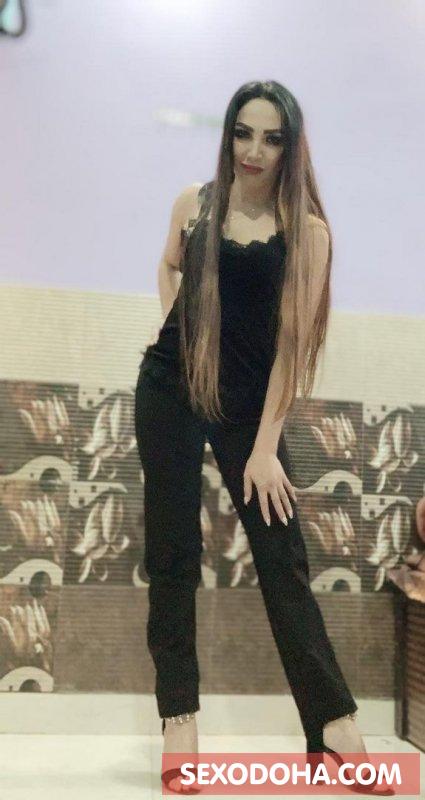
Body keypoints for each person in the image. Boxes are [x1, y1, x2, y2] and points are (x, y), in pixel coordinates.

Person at [134, 80, 393, 796]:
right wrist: (178, 327)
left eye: (271, 138)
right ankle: (179, 722)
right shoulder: (195, 204)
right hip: (170, 389)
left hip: (252, 408)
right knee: (172, 555)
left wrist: (263, 449)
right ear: (227, 135)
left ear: (290, 146)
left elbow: (292, 347)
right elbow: (168, 264)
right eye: (242, 133)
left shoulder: (307, 232)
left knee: (282, 558)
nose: (253, 150)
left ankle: (333, 724)